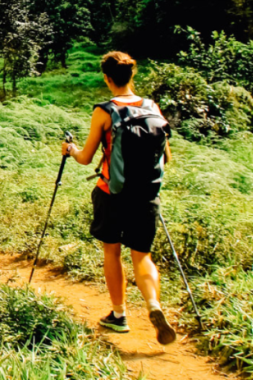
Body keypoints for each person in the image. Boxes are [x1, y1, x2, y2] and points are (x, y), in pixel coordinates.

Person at [61, 52, 178, 345]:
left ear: (107, 78)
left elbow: (86, 158)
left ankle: (119, 315)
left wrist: (70, 150)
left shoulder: (105, 111)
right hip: (147, 195)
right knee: (143, 255)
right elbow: (166, 156)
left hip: (111, 194)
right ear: (132, 76)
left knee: (112, 252)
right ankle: (153, 306)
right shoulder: (153, 107)